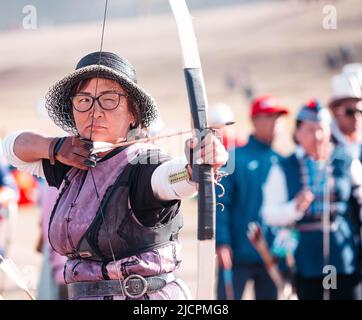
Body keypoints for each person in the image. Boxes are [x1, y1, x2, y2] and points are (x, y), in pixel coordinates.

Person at [2, 51, 228, 300]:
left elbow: (171, 179)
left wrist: (195, 168)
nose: (94, 111)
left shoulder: (145, 163)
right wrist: (55, 146)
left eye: (109, 100)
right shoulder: (70, 160)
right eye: (84, 100)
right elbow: (12, 148)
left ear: (133, 113)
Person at [262, 100, 358, 300]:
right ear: (297, 133)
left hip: (343, 256)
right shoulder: (284, 167)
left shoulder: (345, 161)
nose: (317, 136)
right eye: (310, 129)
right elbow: (269, 214)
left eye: (322, 129)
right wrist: (294, 208)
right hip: (306, 260)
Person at [216, 95, 289, 300]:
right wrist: (221, 242)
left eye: (278, 117)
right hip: (236, 254)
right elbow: (221, 203)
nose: (275, 122)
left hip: (271, 257)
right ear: (254, 120)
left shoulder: (283, 162)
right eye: (268, 117)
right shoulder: (233, 159)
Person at [328, 71, 362, 299]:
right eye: (350, 111)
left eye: (360, 110)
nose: (356, 117)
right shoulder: (325, 152)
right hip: (338, 254)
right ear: (335, 112)